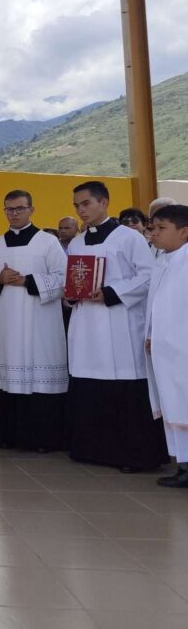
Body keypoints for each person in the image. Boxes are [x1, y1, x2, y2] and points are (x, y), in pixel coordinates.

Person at [65, 181, 167, 473]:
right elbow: (73, 278)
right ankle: (92, 450)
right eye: (76, 206)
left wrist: (110, 292)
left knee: (124, 388)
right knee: (88, 386)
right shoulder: (76, 242)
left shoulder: (128, 238)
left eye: (85, 204)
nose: (81, 210)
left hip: (119, 323)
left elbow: (147, 277)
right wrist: (71, 294)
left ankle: (134, 455)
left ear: (104, 202)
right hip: (86, 325)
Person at [0, 190, 69, 452]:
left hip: (40, 323)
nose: (14, 213)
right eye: (9, 209)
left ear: (31, 209)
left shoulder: (47, 244)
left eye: (19, 208)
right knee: (8, 378)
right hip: (5, 323)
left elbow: (64, 278)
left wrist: (27, 280)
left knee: (39, 375)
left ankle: (43, 439)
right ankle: (10, 435)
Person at [145, 204, 188, 487]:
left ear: (184, 232)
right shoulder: (162, 260)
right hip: (165, 349)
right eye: (153, 228)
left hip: (183, 349)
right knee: (174, 406)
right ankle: (183, 466)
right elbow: (155, 302)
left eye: (161, 229)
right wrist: (150, 332)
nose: (154, 234)